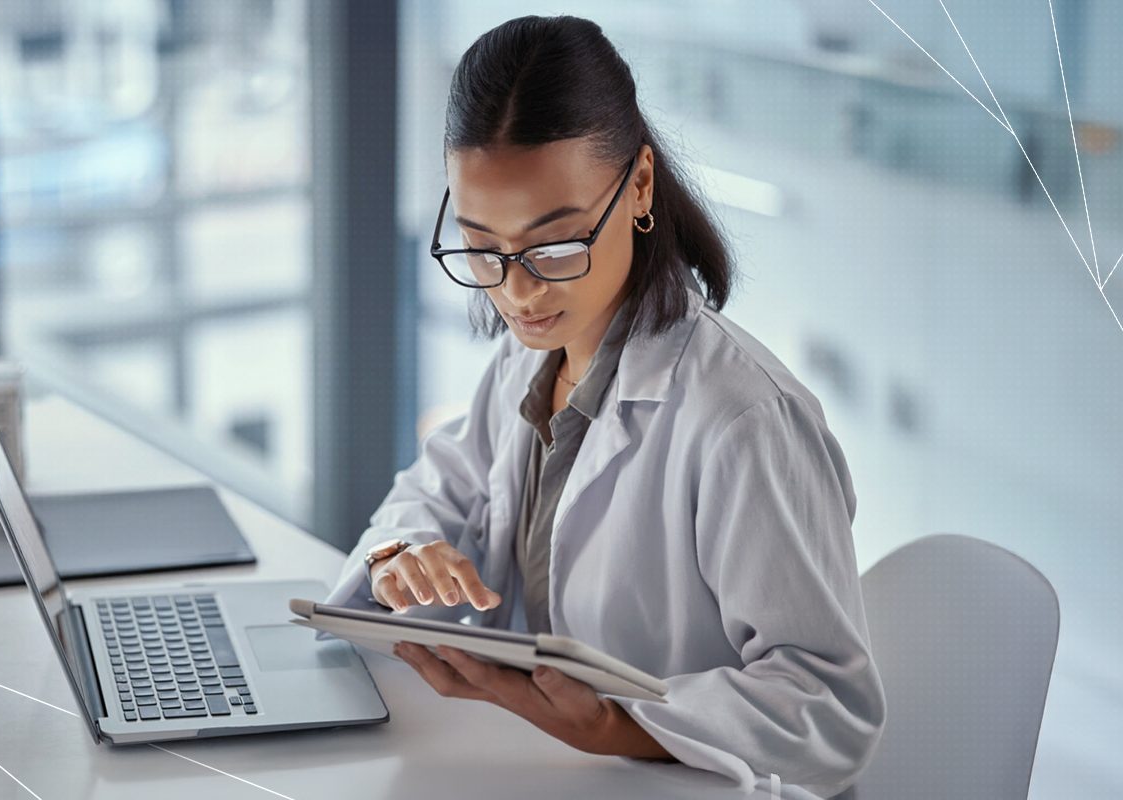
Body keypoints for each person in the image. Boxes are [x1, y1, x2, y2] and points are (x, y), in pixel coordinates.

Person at [322, 14, 885, 799]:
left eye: (555, 245)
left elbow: (828, 707)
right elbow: (436, 491)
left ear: (640, 185)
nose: (518, 291)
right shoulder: (530, 355)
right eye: (482, 246)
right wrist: (403, 558)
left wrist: (615, 725)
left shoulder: (744, 419)